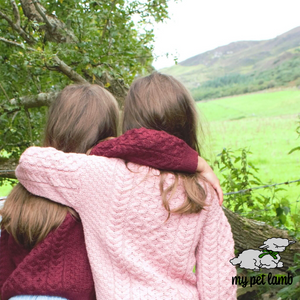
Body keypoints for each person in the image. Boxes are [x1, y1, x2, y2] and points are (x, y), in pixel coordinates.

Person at [15, 73, 237, 299]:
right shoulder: (203, 192)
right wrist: (191, 159)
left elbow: (29, 163)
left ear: (129, 123)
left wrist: (187, 159)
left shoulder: (100, 175)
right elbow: (219, 289)